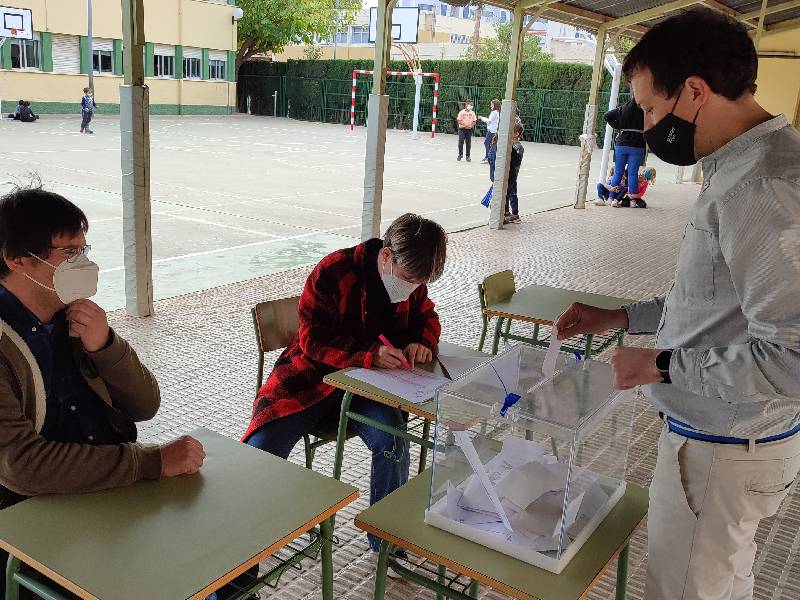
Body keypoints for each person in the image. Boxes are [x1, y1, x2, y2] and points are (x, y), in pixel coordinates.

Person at [554, 9, 800, 600]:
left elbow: (792, 358)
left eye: (649, 106)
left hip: (725, 447)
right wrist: (624, 317)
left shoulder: (760, 187)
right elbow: (716, 298)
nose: (644, 123)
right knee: (721, 579)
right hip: (723, 436)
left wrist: (659, 365)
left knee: (689, 590)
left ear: (694, 90)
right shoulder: (743, 165)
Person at [0, 185, 206, 597]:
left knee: (224, 555)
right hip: (33, 511)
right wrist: (150, 463)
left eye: (84, 249)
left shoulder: (72, 317)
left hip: (107, 486)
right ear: (18, 260)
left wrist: (107, 345)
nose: (83, 262)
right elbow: (24, 466)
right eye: (68, 253)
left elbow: (146, 404)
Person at [242, 213, 447, 555]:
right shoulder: (334, 271)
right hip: (309, 380)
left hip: (371, 389)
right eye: (410, 278)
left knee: (393, 443)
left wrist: (420, 341)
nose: (413, 287)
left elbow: (427, 316)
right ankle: (238, 571)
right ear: (386, 257)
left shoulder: (412, 276)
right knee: (256, 455)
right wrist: (369, 355)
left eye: (420, 281)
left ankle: (386, 544)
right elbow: (312, 341)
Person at [604, 98, 646, 198]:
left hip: (622, 144)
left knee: (618, 172)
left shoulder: (622, 109)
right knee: (632, 174)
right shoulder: (645, 111)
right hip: (637, 145)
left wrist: (618, 126)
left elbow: (607, 116)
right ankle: (632, 200)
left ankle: (611, 197)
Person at [504, 122, 525, 224]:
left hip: (513, 174)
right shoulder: (512, 145)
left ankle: (514, 214)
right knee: (509, 193)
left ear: (516, 134)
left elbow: (515, 160)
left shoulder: (518, 147)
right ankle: (508, 213)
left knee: (511, 193)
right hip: (510, 174)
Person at [478, 99, 501, 163]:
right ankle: (490, 157)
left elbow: (489, 121)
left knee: (487, 143)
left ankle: (488, 157)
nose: (491, 105)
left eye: (492, 104)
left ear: (495, 105)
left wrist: (481, 118)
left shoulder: (494, 112)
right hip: (493, 130)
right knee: (491, 144)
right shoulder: (496, 112)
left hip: (492, 131)